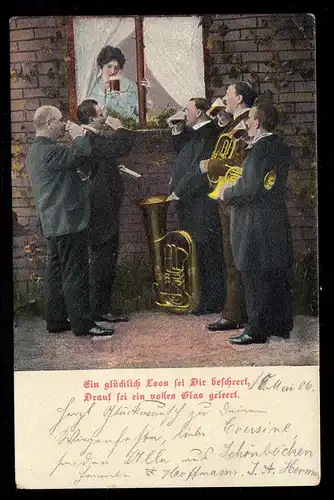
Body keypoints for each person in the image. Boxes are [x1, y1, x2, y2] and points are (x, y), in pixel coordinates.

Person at [26, 105, 114, 337]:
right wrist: (79, 136)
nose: (63, 124)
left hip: (54, 223)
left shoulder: (38, 151)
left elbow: (70, 167)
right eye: (59, 120)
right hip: (68, 221)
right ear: (48, 124)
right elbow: (79, 154)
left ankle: (55, 320)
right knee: (75, 272)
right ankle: (83, 325)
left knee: (56, 273)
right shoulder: (49, 151)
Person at [219, 98, 294, 345]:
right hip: (273, 219)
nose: (247, 124)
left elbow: (249, 189)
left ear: (257, 122)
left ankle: (255, 330)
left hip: (253, 223)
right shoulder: (279, 147)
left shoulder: (259, 150)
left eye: (250, 120)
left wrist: (226, 192)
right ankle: (278, 325)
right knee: (272, 274)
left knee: (253, 276)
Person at [200, 82, 257, 332]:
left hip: (235, 198)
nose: (223, 98)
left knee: (234, 258)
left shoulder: (245, 124)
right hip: (228, 198)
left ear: (240, 98)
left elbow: (240, 162)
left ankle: (234, 314)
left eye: (228, 94)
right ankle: (237, 312)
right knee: (231, 257)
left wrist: (211, 166)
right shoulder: (235, 123)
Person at [76, 99, 134, 323]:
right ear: (92, 119)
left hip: (104, 208)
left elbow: (105, 159)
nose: (104, 117)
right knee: (102, 260)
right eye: (101, 114)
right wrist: (119, 126)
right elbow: (120, 147)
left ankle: (101, 309)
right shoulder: (91, 140)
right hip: (101, 210)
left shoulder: (93, 140)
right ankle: (98, 311)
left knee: (105, 259)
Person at [166, 98, 226, 314]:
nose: (184, 113)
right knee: (198, 251)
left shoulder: (208, 133)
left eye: (187, 110)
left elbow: (197, 171)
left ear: (199, 112)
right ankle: (205, 300)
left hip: (200, 203)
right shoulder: (196, 132)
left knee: (206, 251)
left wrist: (177, 193)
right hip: (191, 203)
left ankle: (211, 302)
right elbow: (182, 153)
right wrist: (177, 129)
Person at [89, 46, 149, 123]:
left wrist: (145, 93)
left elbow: (138, 111)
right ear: (102, 66)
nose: (113, 71)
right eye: (109, 67)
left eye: (116, 68)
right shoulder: (95, 87)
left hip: (131, 127)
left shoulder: (130, 85)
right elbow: (97, 116)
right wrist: (102, 93)